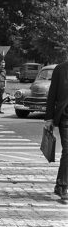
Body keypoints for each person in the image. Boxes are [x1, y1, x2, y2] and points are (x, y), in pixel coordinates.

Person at [45, 59, 68, 201]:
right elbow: (52, 94)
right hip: (66, 116)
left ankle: (60, 184)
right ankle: (62, 185)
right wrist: (49, 118)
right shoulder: (60, 69)